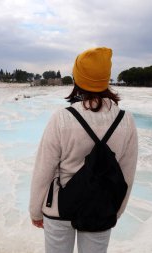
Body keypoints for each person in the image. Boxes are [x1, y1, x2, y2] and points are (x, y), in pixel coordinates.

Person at [29, 47, 138, 253]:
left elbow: (44, 170)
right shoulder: (126, 121)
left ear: (77, 79)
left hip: (59, 207)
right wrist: (116, 210)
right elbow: (126, 175)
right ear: (106, 79)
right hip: (101, 208)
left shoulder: (62, 117)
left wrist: (35, 210)